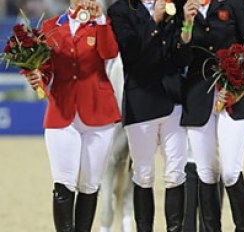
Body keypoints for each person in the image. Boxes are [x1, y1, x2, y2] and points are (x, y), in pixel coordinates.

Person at [25, 0, 121, 231]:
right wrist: (38, 77)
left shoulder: (102, 24)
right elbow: (46, 69)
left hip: (99, 115)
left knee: (89, 185)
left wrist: (99, 20)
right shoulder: (50, 26)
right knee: (63, 183)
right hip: (62, 114)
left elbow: (110, 52)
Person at [107, 0, 198, 231]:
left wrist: (187, 25)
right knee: (143, 174)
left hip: (173, 102)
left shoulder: (175, 5)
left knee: (175, 174)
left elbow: (182, 58)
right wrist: (154, 21)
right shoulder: (120, 11)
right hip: (142, 103)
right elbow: (131, 54)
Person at [181, 0, 244, 231]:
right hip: (199, 97)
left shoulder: (234, 5)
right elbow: (178, 56)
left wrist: (239, 90)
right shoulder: (183, 8)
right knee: (206, 173)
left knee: (230, 171)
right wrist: (187, 24)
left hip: (234, 96)